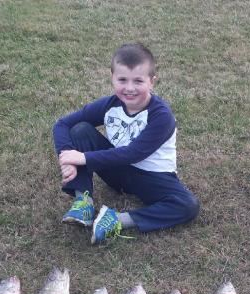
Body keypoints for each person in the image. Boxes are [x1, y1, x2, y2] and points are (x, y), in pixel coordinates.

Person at [53, 43, 200, 244]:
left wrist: (83, 158)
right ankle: (83, 202)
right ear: (112, 77)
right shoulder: (110, 104)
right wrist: (67, 157)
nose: (129, 88)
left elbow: (134, 153)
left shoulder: (161, 115)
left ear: (152, 82)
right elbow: (62, 124)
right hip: (117, 171)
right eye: (122, 80)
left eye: (138, 81)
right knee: (80, 129)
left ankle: (116, 220)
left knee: (188, 205)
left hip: (154, 178)